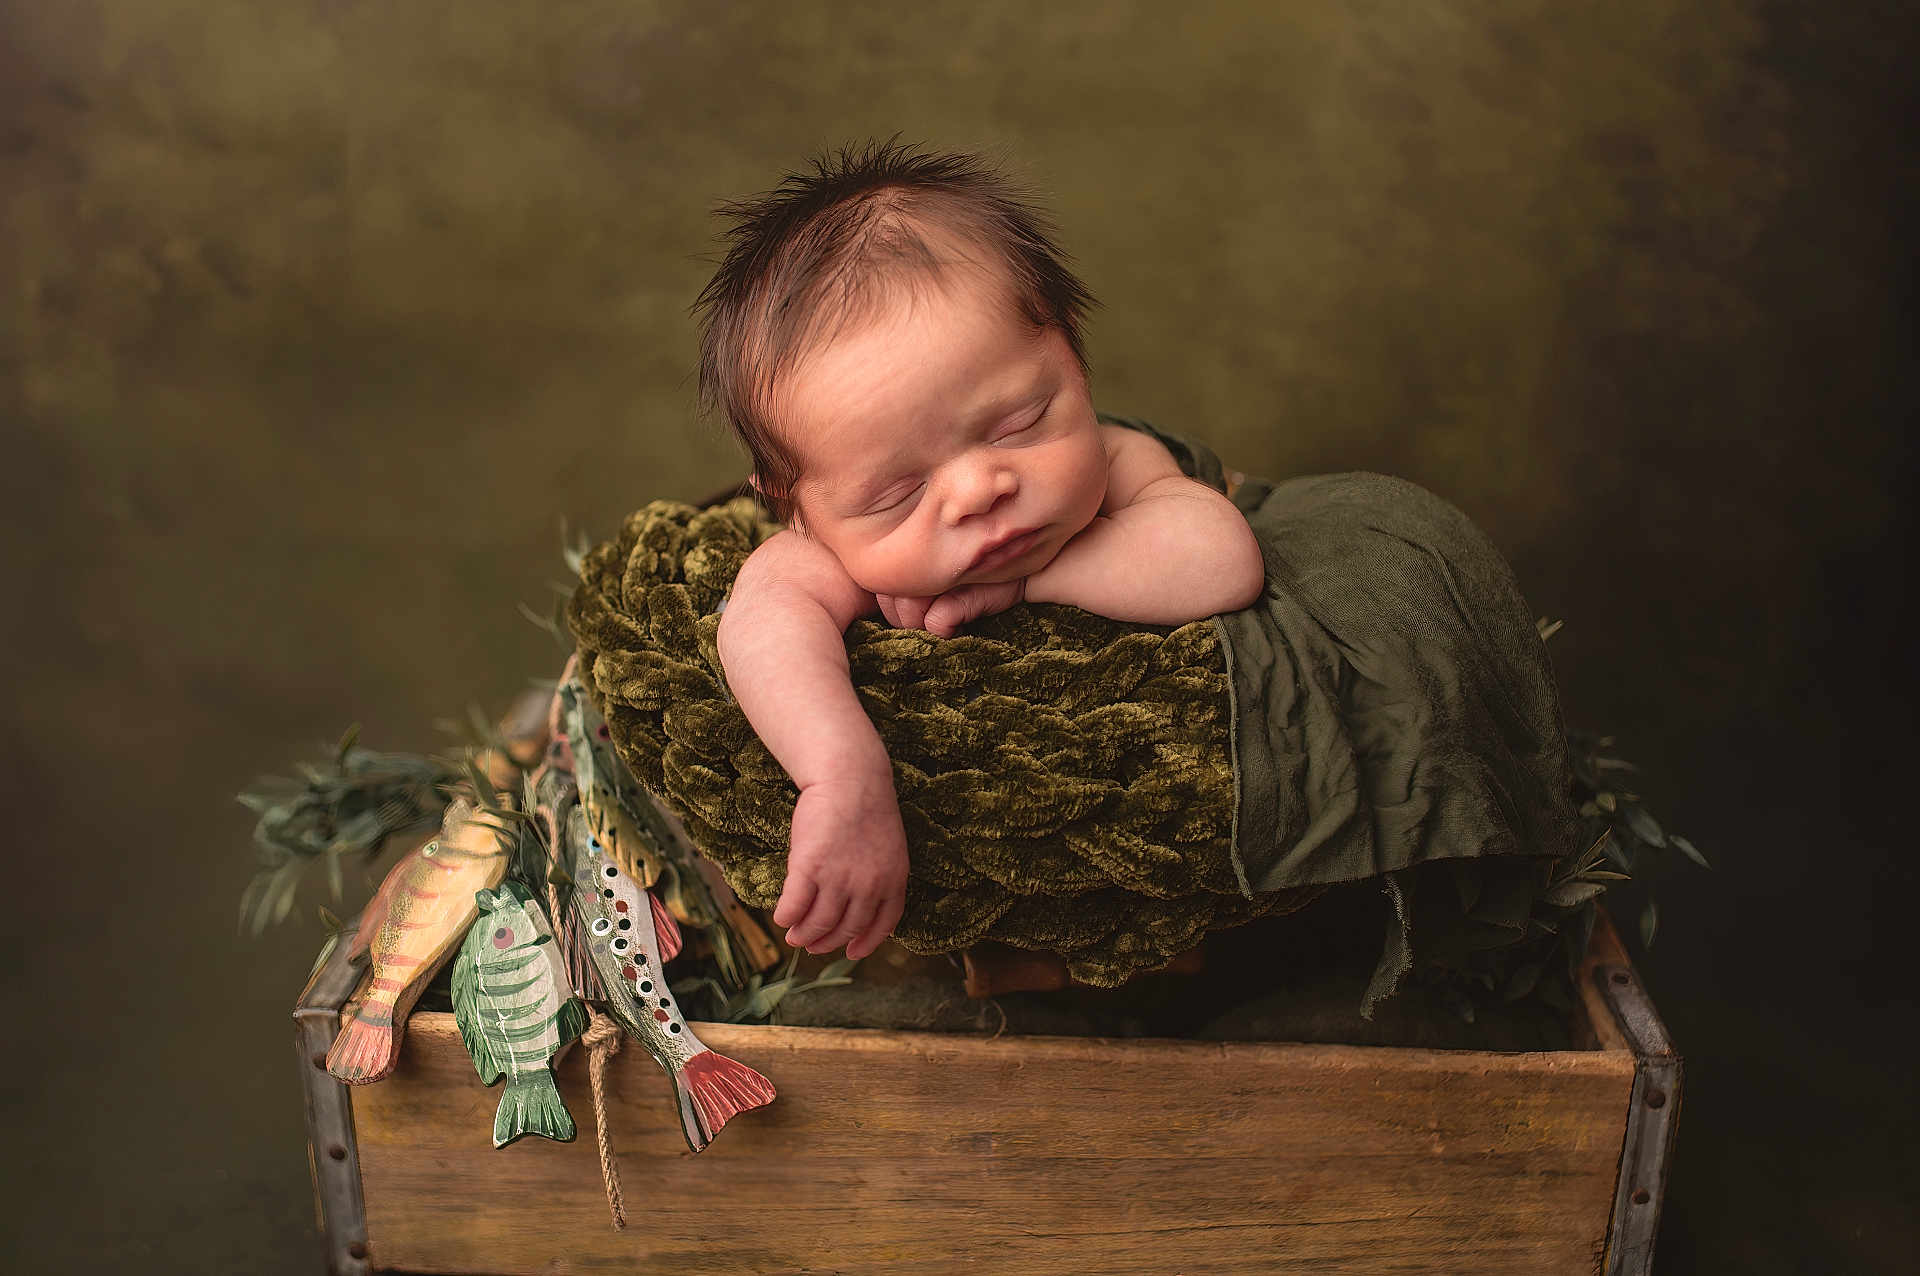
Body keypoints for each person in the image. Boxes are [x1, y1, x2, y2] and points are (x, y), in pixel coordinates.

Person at [703, 140, 1264, 963]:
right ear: (799, 506)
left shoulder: (1115, 464)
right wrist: (843, 775)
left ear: (1073, 356)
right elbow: (757, 628)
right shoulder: (822, 552)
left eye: (1019, 424)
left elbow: (1223, 562)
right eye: (896, 494)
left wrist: (1034, 578)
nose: (978, 491)